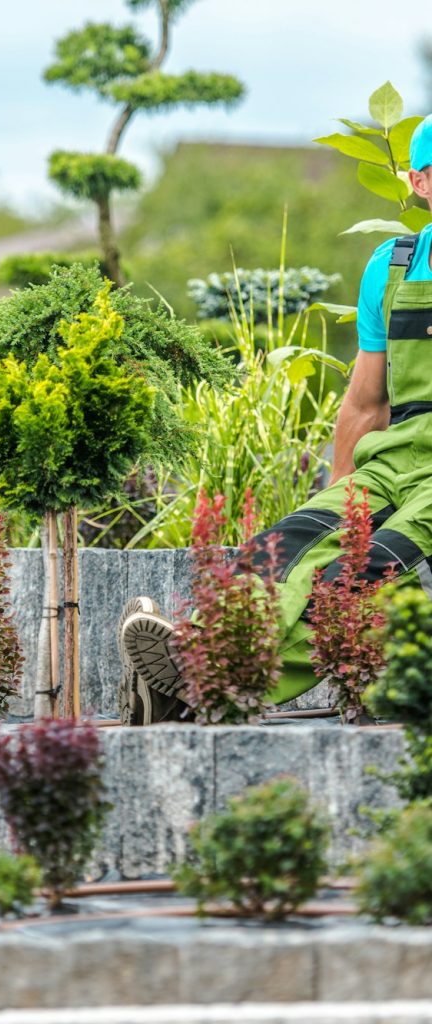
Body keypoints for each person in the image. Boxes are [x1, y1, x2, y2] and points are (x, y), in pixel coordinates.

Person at [118, 114, 432, 725]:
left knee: (360, 569)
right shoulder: (391, 268)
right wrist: (339, 493)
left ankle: (213, 682)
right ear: (421, 182)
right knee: (285, 544)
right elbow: (366, 403)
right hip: (397, 457)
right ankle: (195, 663)